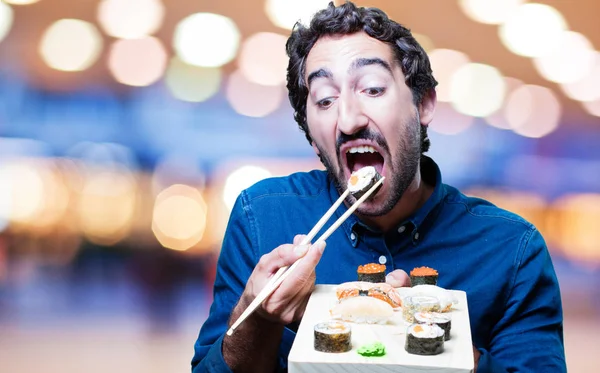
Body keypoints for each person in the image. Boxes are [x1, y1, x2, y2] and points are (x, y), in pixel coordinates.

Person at [191, 2, 566, 372]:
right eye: (324, 99)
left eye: (372, 89)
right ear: (309, 130)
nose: (348, 119)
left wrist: (429, 341)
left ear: (424, 104)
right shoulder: (261, 217)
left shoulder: (512, 248)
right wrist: (258, 318)